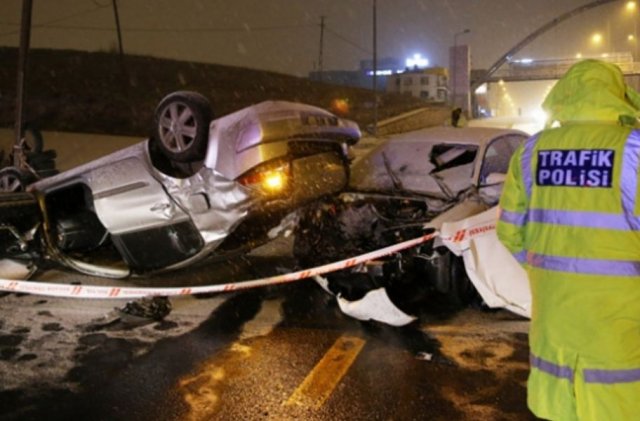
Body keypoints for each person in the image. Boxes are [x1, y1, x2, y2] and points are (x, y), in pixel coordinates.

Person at [497, 59, 640, 420]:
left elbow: (510, 231)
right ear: (617, 96)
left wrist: (546, 265)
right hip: (619, 320)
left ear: (566, 95)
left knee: (560, 405)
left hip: (554, 316)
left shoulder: (532, 151)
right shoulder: (634, 151)